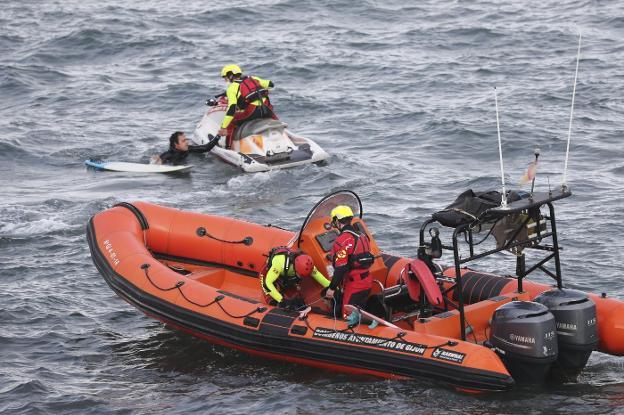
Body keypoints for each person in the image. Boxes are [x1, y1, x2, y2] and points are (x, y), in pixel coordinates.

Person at [324, 205, 376, 325]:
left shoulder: (342, 240)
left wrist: (331, 289)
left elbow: (341, 268)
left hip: (355, 285)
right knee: (358, 311)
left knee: (347, 317)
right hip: (367, 281)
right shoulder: (362, 236)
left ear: (337, 220)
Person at [217, 64, 277, 149]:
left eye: (225, 77)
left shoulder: (232, 88)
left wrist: (223, 127)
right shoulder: (253, 79)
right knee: (276, 121)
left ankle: (228, 148)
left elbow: (232, 109)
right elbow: (271, 84)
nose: (225, 79)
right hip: (266, 109)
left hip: (252, 112)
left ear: (230, 75)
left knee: (231, 122)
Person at [260, 247, 330, 310]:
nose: (302, 278)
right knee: (272, 300)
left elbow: (323, 280)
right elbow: (268, 283)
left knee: (296, 300)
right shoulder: (280, 263)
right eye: (301, 275)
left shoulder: (309, 266)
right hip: (268, 272)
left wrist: (332, 287)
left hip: (285, 275)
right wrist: (281, 300)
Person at [152, 131, 220, 165]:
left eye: (186, 140)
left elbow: (206, 148)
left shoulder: (188, 149)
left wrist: (218, 136)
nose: (187, 142)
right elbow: (158, 164)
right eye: (183, 141)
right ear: (176, 144)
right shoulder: (169, 154)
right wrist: (158, 161)